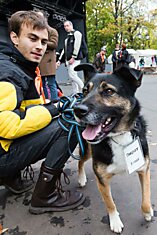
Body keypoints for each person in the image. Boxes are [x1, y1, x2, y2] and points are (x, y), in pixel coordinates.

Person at [0, 10, 84, 214]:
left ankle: (11, 177)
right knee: (70, 124)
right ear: (14, 38)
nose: (39, 46)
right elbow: (7, 126)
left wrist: (55, 105)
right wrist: (56, 108)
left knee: (55, 117)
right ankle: (45, 196)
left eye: (44, 42)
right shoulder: (8, 73)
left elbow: (32, 110)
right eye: (32, 38)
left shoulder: (20, 66)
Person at [35, 10, 59, 102]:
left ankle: (55, 101)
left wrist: (42, 42)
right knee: (42, 83)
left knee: (51, 83)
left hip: (48, 61)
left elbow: (54, 44)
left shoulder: (52, 31)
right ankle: (46, 101)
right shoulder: (37, 31)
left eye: (40, 17)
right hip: (40, 60)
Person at [56, 20, 84, 94]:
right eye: (65, 26)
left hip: (75, 59)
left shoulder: (77, 33)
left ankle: (84, 87)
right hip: (68, 60)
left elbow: (77, 46)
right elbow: (64, 50)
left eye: (67, 25)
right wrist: (59, 60)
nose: (66, 27)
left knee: (72, 75)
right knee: (72, 77)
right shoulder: (67, 38)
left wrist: (73, 57)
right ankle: (76, 93)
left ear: (71, 25)